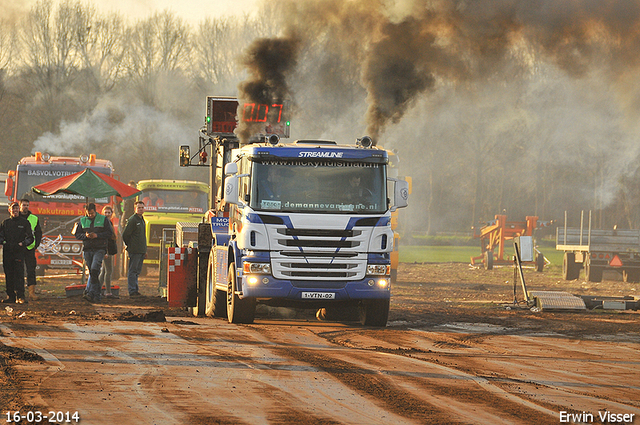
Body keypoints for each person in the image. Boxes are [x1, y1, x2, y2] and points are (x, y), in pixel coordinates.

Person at [73, 203, 114, 303]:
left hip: (99, 249)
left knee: (95, 269)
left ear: (95, 211)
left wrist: (97, 235)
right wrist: (85, 236)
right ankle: (94, 294)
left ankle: (93, 293)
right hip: (87, 249)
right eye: (88, 214)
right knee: (92, 272)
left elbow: (109, 233)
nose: (90, 215)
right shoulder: (82, 221)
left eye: (91, 213)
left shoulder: (104, 220)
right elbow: (77, 234)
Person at [0, 202, 34, 304]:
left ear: (19, 210)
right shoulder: (5, 223)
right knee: (9, 275)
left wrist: (22, 244)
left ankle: (21, 297)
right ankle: (10, 296)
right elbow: (1, 236)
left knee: (19, 275)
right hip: (7, 252)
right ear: (9, 210)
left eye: (16, 209)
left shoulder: (25, 223)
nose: (15, 211)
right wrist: (2, 242)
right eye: (13, 209)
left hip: (19, 252)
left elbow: (30, 238)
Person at [19, 198, 42, 301]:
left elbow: (38, 233)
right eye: (24, 205)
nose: (26, 207)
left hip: (30, 249)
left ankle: (31, 293)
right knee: (18, 271)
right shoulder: (15, 218)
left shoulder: (34, 218)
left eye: (27, 205)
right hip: (18, 248)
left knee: (31, 270)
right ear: (20, 206)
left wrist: (36, 245)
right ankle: (18, 293)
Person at [122, 201, 146, 297]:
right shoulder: (132, 220)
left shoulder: (142, 220)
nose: (140, 209)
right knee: (132, 270)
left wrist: (144, 250)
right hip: (134, 250)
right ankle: (132, 291)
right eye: (138, 207)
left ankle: (135, 290)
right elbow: (125, 235)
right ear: (135, 209)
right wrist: (129, 246)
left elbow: (142, 236)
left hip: (141, 250)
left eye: (142, 207)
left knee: (137, 271)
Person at [98, 206, 118, 298]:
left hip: (109, 249)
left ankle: (98, 290)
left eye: (109, 212)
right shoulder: (104, 224)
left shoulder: (109, 222)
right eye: (105, 212)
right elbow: (104, 238)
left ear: (112, 213)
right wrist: (105, 252)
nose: (107, 214)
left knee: (104, 271)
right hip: (106, 250)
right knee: (109, 271)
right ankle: (108, 292)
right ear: (102, 213)